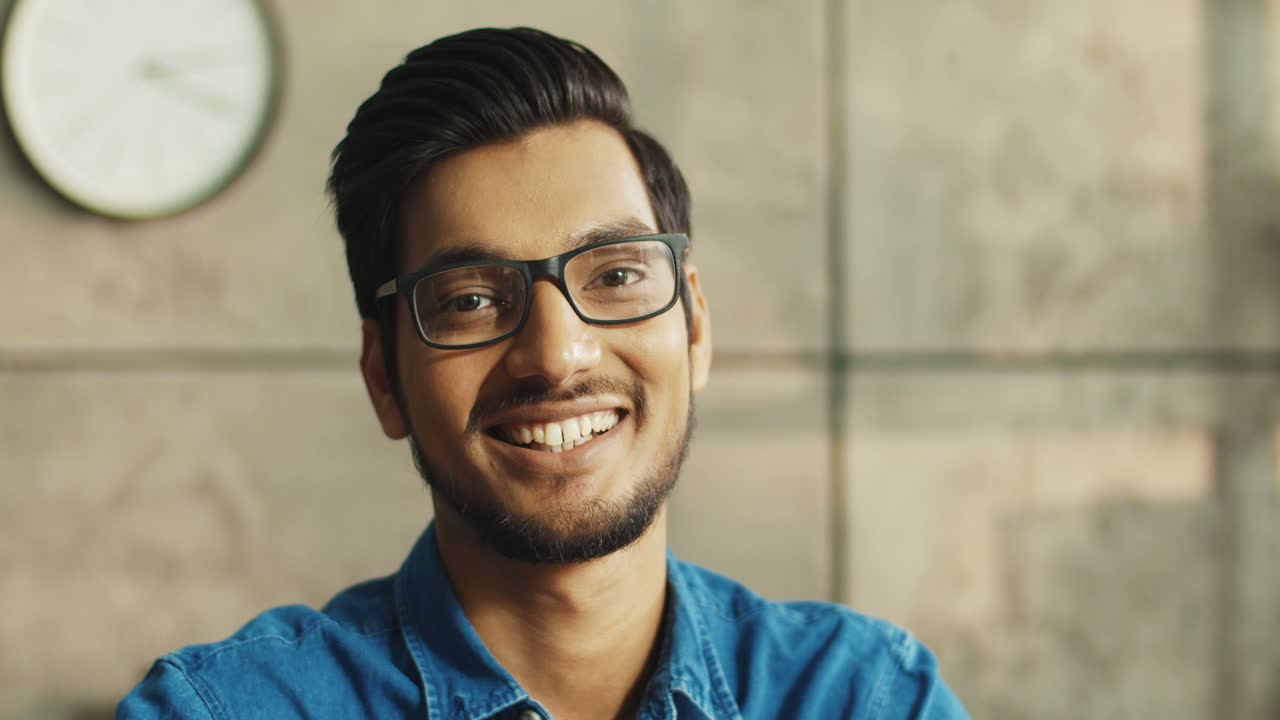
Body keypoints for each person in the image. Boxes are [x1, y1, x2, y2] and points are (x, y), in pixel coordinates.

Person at [117, 27, 969, 720]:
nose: (558, 354)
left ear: (695, 326)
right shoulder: (224, 711)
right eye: (471, 300)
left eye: (617, 275)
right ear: (385, 378)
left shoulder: (864, 697)